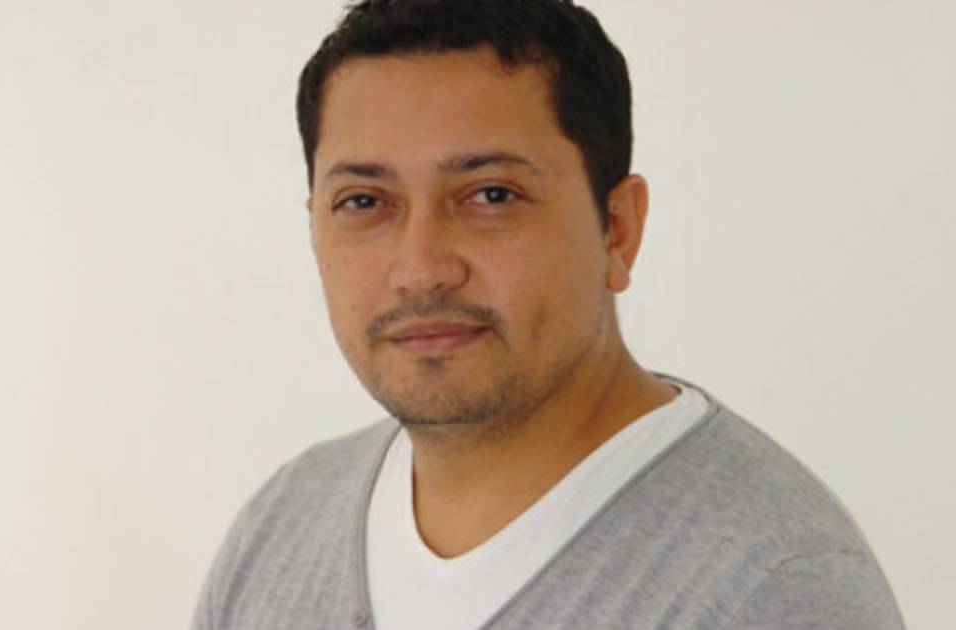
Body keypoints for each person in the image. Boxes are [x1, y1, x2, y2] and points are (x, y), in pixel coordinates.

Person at [191, 1, 906, 628]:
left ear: (617, 229)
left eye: (491, 195)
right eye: (364, 202)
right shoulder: (281, 525)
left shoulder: (773, 591)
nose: (420, 268)